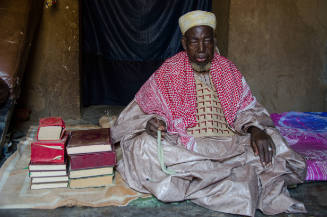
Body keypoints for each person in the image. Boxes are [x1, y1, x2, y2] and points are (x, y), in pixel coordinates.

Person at [111, 10, 306, 217]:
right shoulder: (170, 70)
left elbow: (247, 108)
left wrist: (255, 128)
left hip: (230, 143)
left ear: (214, 41)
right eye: (194, 42)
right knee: (144, 145)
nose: (201, 49)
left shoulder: (228, 69)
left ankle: (210, 178)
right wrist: (150, 122)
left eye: (207, 41)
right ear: (185, 44)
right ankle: (227, 177)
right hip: (185, 146)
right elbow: (137, 112)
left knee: (272, 140)